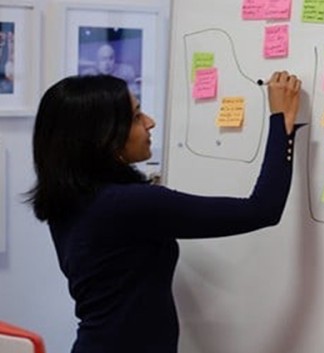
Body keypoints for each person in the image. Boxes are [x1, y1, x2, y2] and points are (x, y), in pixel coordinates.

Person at [26, 71, 302, 353]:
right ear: (103, 137)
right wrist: (281, 121)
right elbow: (261, 210)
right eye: (136, 117)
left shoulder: (71, 199)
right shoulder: (127, 205)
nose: (150, 122)